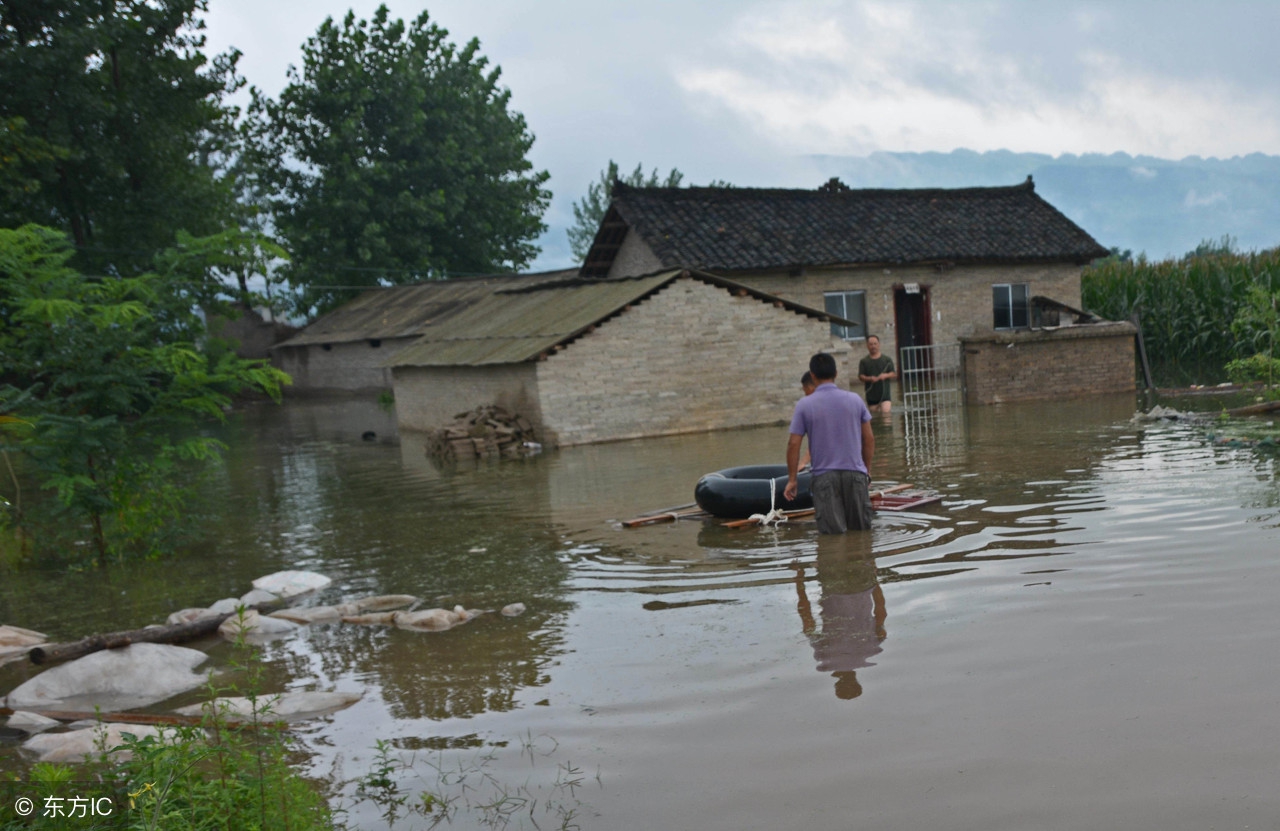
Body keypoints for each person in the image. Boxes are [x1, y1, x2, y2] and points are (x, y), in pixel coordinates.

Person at [784, 353, 874, 533]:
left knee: (833, 537)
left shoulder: (804, 405)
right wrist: (866, 470)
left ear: (813, 375)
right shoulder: (855, 400)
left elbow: (793, 444)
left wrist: (792, 479)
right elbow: (869, 438)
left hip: (824, 478)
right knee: (862, 534)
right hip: (855, 474)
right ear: (836, 373)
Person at [857, 335, 897, 414]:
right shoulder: (864, 361)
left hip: (885, 395)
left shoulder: (887, 360)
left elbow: (893, 373)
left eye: (875, 344)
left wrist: (885, 375)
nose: (873, 346)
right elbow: (861, 376)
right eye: (871, 344)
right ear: (867, 346)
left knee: (886, 415)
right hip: (871, 396)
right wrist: (870, 378)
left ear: (879, 344)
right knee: (874, 417)